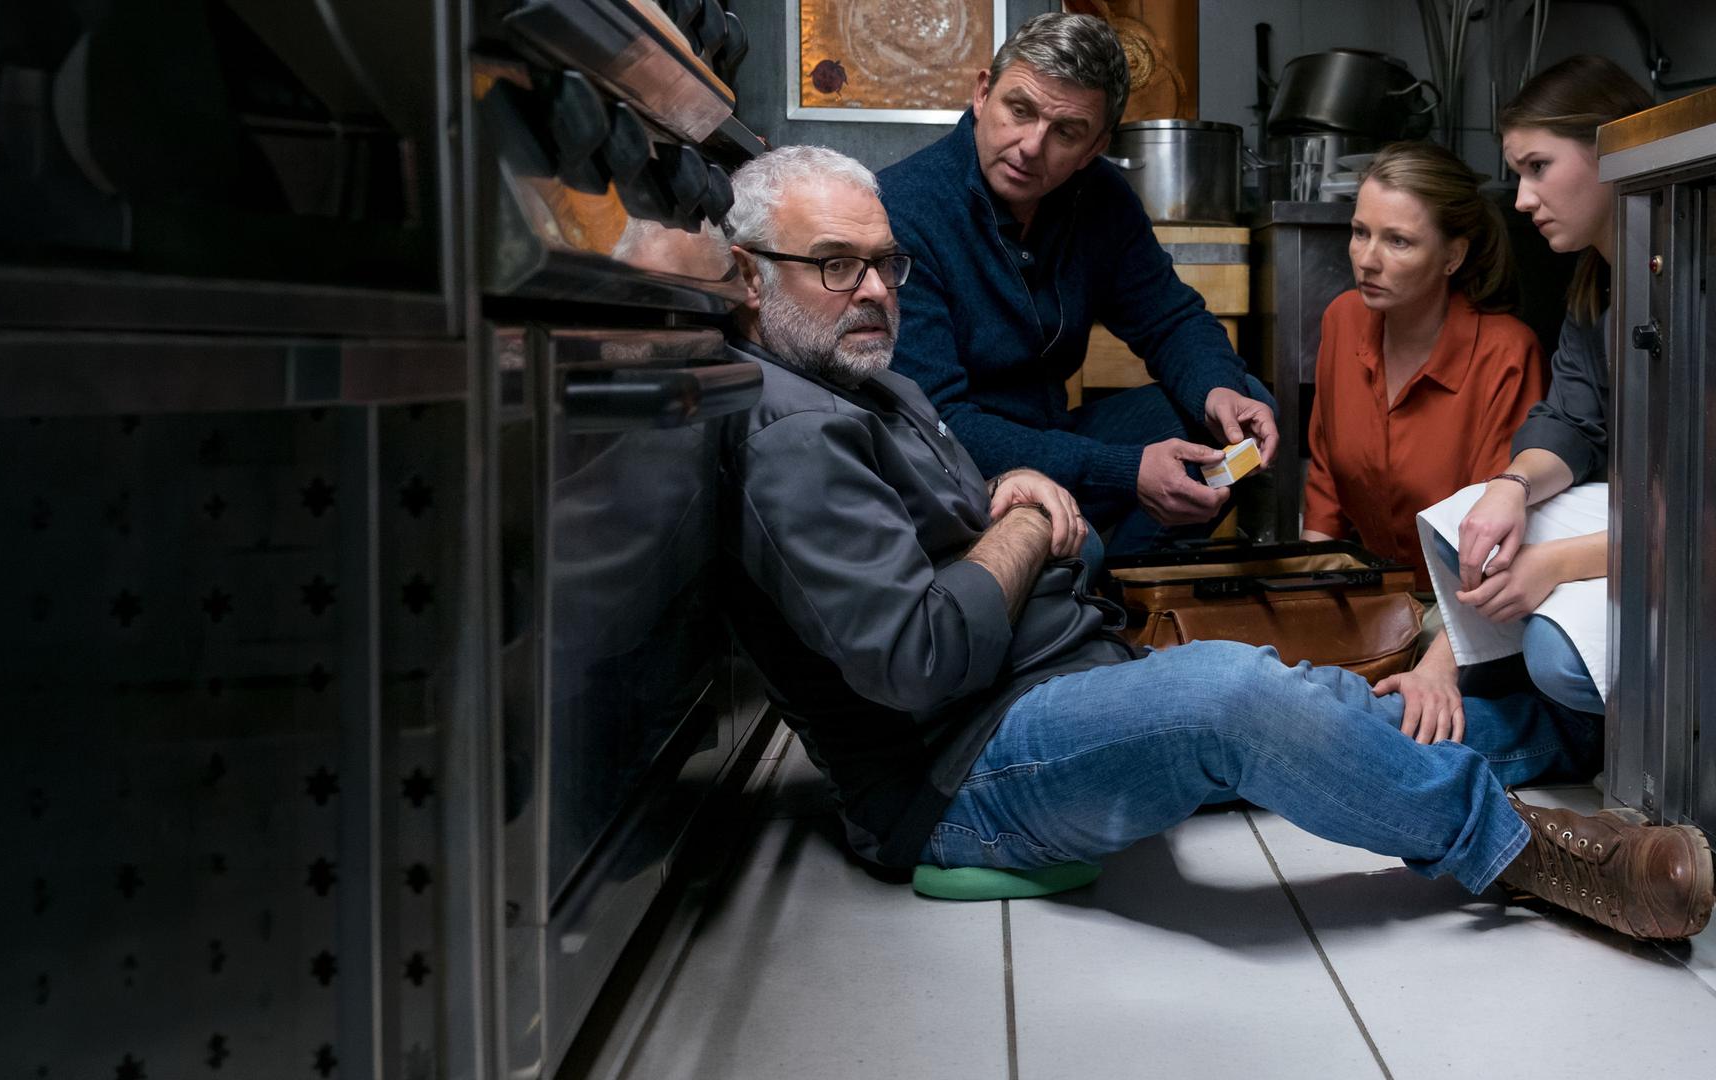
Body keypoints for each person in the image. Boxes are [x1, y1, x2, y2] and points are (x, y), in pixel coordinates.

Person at [715, 142, 1712, 942]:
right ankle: (1534, 856)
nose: (877, 290)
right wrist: (1024, 517)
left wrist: (996, 490)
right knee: (1232, 698)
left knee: (1308, 699)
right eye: (835, 266)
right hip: (957, 778)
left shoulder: (868, 385)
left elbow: (1158, 328)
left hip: (1040, 688)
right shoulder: (793, 435)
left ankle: (1540, 747)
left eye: (886, 263)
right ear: (749, 280)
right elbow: (919, 658)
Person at [878, 13, 1278, 553]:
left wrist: (1217, 388)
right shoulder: (904, 211)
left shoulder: (1101, 197)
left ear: (1095, 147)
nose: (1030, 146)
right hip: (954, 468)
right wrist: (1123, 469)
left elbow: (1170, 319)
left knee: (1241, 414)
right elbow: (938, 423)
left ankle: (1121, 587)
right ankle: (1090, 589)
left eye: (1065, 132)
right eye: (1019, 111)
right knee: (1073, 545)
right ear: (982, 93)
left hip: (1056, 440)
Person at [1421, 57, 1654, 723]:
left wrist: (1556, 565)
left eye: (1538, 167)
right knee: (1461, 534)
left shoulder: (1693, 277)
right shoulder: (1597, 282)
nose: (1521, 200)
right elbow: (1574, 422)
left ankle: (1576, 726)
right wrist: (1512, 488)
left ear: (1615, 149)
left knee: (1557, 659)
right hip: (1643, 518)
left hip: (1690, 535)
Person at [1300, 141, 1550, 744]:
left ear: (1453, 255)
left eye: (1398, 241)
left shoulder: (1505, 351)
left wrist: (1441, 667)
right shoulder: (1342, 319)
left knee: (1389, 726)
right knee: (1273, 688)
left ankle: (1554, 737)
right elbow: (1327, 478)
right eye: (1360, 233)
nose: (1367, 258)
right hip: (1372, 595)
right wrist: (1303, 605)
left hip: (1474, 612)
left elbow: (1495, 547)